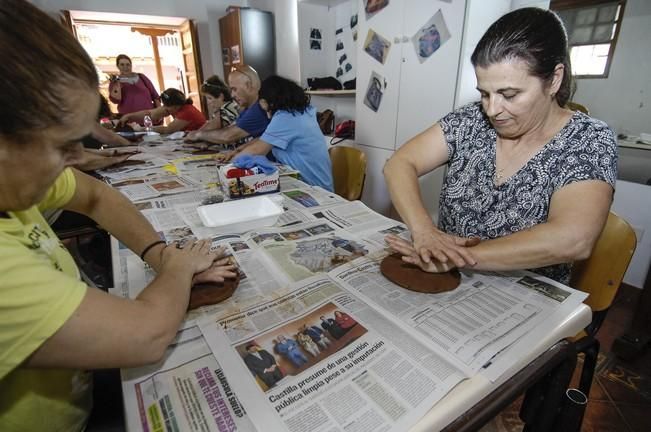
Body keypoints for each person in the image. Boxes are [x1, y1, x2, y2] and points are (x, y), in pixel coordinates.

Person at [0, 3, 236, 431]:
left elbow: (96, 198)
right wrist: (179, 268)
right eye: (64, 146)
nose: (79, 159)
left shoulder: (13, 179)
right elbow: (146, 335)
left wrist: (161, 255)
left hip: (78, 390)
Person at [383, 8, 617, 285]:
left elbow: (573, 239)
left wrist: (453, 258)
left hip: (525, 294)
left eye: (509, 94)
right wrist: (423, 231)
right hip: (449, 278)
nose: (493, 110)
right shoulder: (470, 120)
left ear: (554, 80)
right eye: (484, 94)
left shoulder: (588, 139)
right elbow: (400, 163)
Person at [234, 75, 334, 191]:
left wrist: (230, 165)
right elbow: (265, 139)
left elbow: (257, 150)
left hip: (313, 188)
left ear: (267, 101)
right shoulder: (303, 112)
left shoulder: (285, 117)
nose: (267, 115)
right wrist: (238, 150)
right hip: (320, 185)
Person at [184, 64, 270, 146]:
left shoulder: (259, 109)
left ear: (248, 85)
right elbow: (230, 130)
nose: (232, 95)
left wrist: (199, 134)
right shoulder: (248, 108)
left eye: (234, 89)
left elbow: (228, 136)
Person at [119, 88, 206, 134]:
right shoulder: (172, 107)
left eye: (166, 106)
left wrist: (141, 129)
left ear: (175, 106)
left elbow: (167, 130)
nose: (164, 108)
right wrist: (129, 116)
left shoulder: (187, 111)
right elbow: (150, 114)